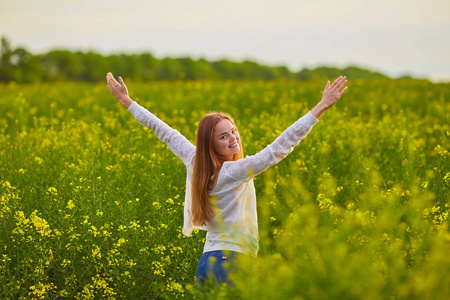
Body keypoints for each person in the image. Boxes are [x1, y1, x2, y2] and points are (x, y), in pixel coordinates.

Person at [106, 73, 348, 286]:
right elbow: (279, 147)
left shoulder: (194, 159)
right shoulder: (232, 171)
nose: (233, 138)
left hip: (207, 262)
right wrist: (320, 108)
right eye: (223, 136)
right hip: (232, 262)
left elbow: (162, 130)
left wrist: (126, 101)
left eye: (233, 130)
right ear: (210, 144)